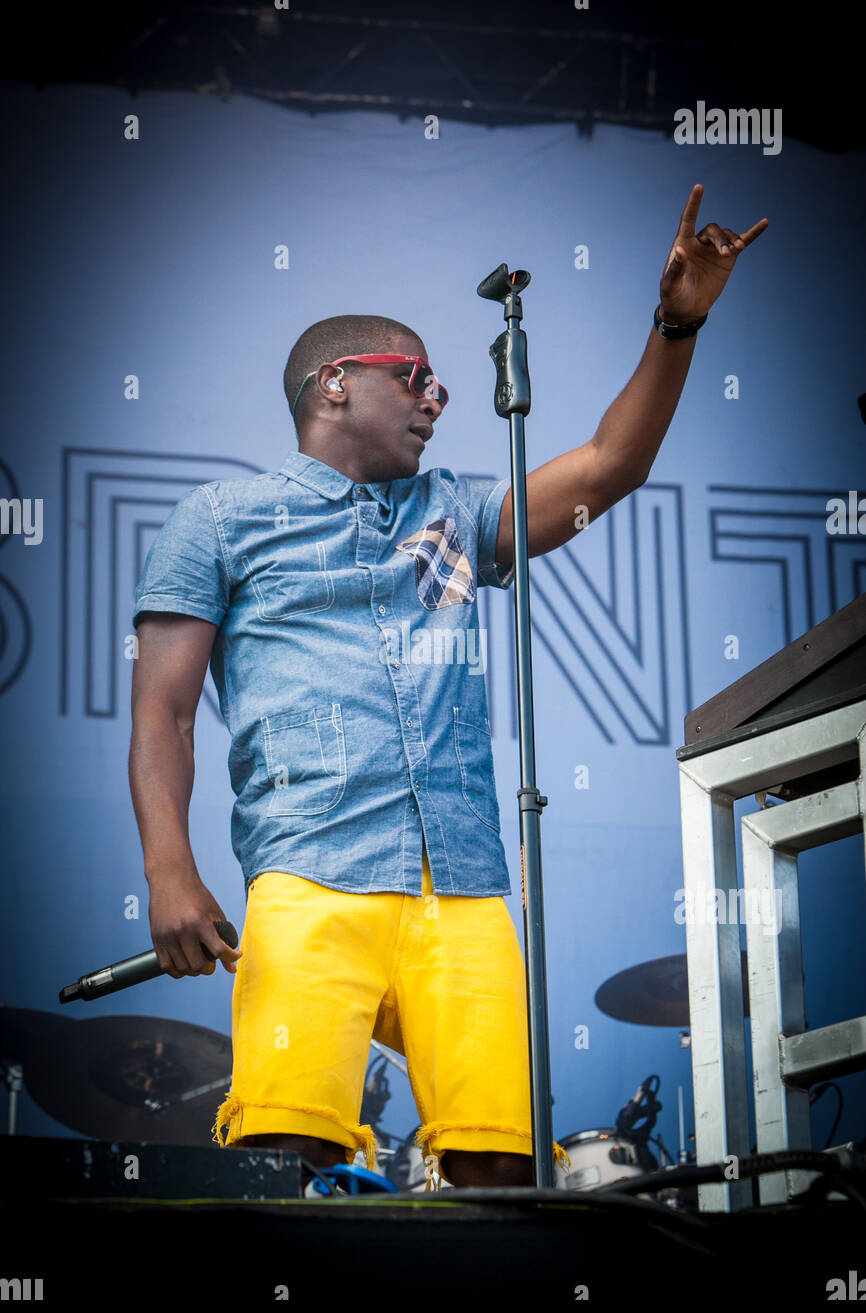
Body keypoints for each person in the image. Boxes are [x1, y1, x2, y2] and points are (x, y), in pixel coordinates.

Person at [129, 185, 767, 1189]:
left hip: (460, 886)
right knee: (283, 1164)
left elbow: (608, 465)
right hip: (308, 876)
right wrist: (168, 867)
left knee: (500, 1176)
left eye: (439, 384)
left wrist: (676, 322)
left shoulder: (454, 516)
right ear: (334, 384)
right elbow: (161, 710)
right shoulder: (222, 519)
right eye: (416, 377)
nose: (439, 398)